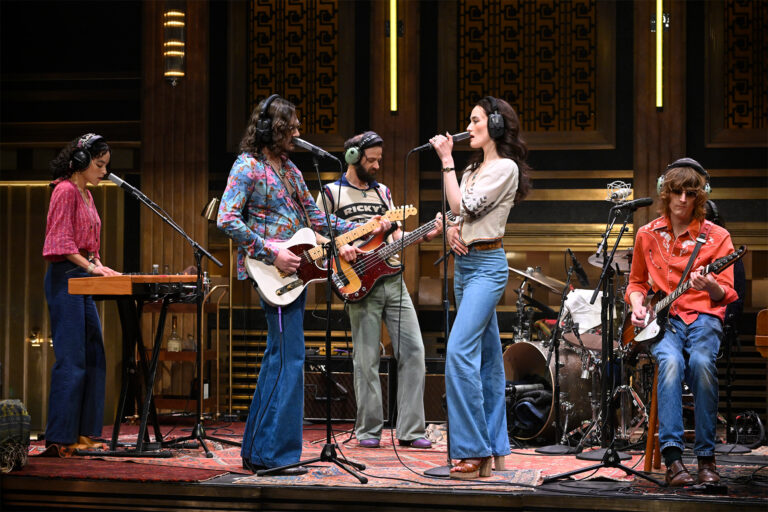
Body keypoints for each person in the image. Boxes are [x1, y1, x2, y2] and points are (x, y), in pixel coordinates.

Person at [217, 95, 389, 474]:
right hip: (273, 273)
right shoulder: (247, 166)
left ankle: (258, 452)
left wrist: (368, 228)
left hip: (295, 277)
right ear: (271, 128)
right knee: (289, 360)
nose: (297, 132)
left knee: (278, 360)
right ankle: (274, 456)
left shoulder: (291, 169)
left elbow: (318, 219)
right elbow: (226, 218)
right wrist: (270, 252)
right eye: (290, 126)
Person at [316, 131, 441, 449]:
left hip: (392, 279)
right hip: (358, 283)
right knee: (366, 359)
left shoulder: (383, 192)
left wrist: (425, 235)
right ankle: (368, 430)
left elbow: (397, 235)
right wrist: (335, 247)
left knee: (414, 352)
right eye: (370, 159)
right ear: (353, 157)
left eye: (379, 160)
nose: (376, 165)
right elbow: (314, 234)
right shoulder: (331, 194)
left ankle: (411, 430)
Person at [430, 96, 532, 479]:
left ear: (495, 125)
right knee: (490, 363)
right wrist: (455, 232)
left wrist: (445, 160)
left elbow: (466, 206)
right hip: (465, 266)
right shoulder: (473, 167)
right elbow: (460, 214)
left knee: (458, 353)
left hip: (488, 268)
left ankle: (473, 451)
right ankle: (496, 448)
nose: (468, 127)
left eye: (474, 121)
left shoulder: (504, 167)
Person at [626, 158, 737, 486]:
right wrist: (636, 305)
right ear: (665, 193)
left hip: (704, 318)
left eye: (691, 193)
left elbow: (727, 292)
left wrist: (710, 285)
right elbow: (636, 283)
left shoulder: (717, 237)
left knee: (702, 363)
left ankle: (706, 458)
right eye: (677, 192)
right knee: (671, 362)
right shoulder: (647, 235)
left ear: (700, 197)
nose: (683, 200)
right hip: (666, 321)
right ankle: (673, 460)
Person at [42, 133, 120, 455]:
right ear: (81, 161)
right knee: (72, 359)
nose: (104, 171)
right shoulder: (64, 190)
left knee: (94, 355)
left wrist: (103, 267)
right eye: (99, 165)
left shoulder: (88, 195)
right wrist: (91, 268)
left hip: (85, 278)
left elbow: (90, 249)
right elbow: (60, 243)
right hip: (66, 279)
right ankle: (60, 437)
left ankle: (85, 432)